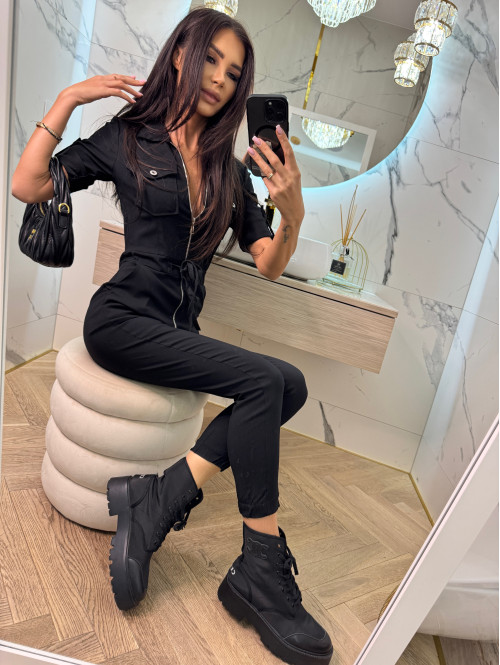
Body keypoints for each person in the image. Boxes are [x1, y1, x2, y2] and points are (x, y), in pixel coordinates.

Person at [12, 8, 333, 665]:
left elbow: (269, 263)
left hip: (176, 328)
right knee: (264, 380)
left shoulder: (229, 169)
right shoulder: (130, 137)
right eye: (210, 59)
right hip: (121, 321)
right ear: (181, 55)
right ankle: (260, 567)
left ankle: (161, 497)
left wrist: (292, 214)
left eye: (234, 72)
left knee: (290, 384)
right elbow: (28, 184)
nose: (219, 78)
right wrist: (69, 98)